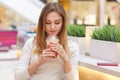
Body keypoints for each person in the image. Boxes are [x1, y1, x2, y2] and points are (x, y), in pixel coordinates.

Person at [14, 2, 79, 80]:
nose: (52, 27)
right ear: (42, 23)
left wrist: (66, 60)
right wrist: (39, 61)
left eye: (57, 23)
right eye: (47, 23)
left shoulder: (72, 47)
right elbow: (18, 77)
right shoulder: (31, 43)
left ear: (63, 23)